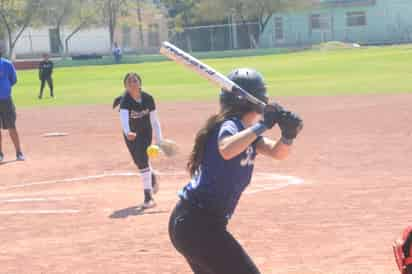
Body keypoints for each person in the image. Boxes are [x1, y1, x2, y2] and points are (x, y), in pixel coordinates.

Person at [168, 68, 303, 274]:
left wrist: (288, 135)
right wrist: (263, 125)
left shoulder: (246, 133)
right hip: (197, 223)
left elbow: (278, 153)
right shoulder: (230, 125)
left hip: (197, 225)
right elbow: (227, 149)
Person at [113, 72, 163, 208]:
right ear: (126, 86)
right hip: (131, 134)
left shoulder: (148, 98)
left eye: (135, 81)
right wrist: (128, 132)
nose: (132, 83)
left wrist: (159, 139)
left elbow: (154, 120)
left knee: (142, 160)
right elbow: (123, 119)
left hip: (145, 132)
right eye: (129, 82)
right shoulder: (125, 100)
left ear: (140, 83)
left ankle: (148, 198)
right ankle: (151, 176)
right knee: (139, 161)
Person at [0, 42, 25, 162]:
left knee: (11, 127)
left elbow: (13, 80)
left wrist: (4, 88)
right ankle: (0, 154)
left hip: (6, 100)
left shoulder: (7, 64)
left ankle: (19, 152)